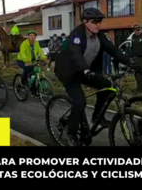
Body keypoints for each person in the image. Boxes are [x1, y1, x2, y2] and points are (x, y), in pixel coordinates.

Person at [54, 8, 133, 146]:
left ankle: (97, 116)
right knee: (80, 102)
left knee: (107, 87)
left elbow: (113, 50)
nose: (98, 25)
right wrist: (85, 69)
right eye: (94, 22)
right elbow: (75, 54)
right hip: (69, 72)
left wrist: (129, 61)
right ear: (85, 22)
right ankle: (70, 132)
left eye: (99, 22)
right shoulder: (77, 34)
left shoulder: (99, 36)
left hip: (85, 71)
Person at [17, 29, 48, 95]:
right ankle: (22, 82)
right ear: (28, 37)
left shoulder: (36, 43)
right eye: (30, 35)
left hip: (32, 61)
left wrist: (44, 58)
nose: (32, 37)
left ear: (35, 37)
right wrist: (26, 60)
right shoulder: (24, 43)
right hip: (21, 60)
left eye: (33, 35)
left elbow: (40, 52)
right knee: (27, 69)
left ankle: (33, 91)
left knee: (33, 75)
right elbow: (23, 53)